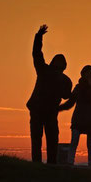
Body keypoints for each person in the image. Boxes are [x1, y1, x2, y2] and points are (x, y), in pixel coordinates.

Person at [26, 24, 72, 164]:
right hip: (40, 110)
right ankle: (42, 163)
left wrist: (38, 36)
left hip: (47, 111)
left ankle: (45, 163)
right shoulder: (47, 71)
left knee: (46, 138)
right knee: (42, 138)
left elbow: (66, 95)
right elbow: (37, 53)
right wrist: (38, 36)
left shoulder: (61, 78)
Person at [59, 65, 91, 166]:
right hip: (79, 119)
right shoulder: (78, 88)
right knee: (74, 141)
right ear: (83, 75)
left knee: (90, 144)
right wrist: (57, 109)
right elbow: (70, 103)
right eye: (87, 72)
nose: (89, 74)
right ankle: (70, 162)